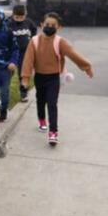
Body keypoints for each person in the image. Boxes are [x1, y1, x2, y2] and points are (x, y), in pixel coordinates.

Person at [21, 12, 94, 146]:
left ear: (59, 27)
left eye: (53, 25)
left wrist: (86, 66)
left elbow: (73, 54)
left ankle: (53, 132)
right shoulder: (35, 41)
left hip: (54, 77)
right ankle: (42, 119)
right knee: (40, 100)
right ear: (42, 24)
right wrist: (25, 78)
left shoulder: (60, 42)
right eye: (47, 24)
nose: (49, 27)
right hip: (39, 77)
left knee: (52, 103)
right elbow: (28, 60)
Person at [6, 5, 39, 103]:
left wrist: (31, 39)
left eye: (22, 17)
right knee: (8, 72)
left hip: (24, 52)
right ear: (13, 15)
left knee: (23, 73)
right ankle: (5, 91)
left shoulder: (28, 22)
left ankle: (23, 93)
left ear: (25, 15)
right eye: (17, 17)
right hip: (12, 52)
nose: (19, 19)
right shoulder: (8, 23)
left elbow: (34, 29)